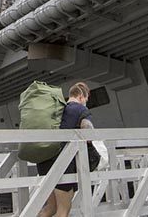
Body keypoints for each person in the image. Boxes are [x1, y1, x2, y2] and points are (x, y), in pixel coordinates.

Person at [38, 82, 94, 217]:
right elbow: (89, 134)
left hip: (44, 163)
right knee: (63, 211)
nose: (85, 102)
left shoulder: (57, 109)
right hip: (63, 165)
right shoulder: (81, 111)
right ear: (81, 96)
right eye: (86, 99)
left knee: (50, 208)